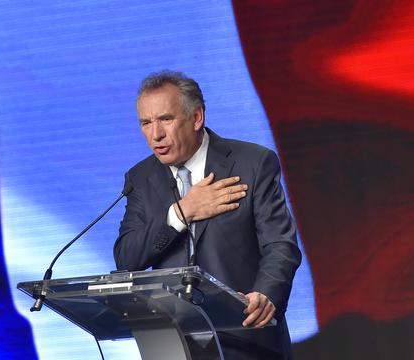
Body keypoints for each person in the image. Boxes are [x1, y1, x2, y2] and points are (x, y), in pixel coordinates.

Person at [114, 70, 301, 359]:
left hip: (246, 336)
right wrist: (182, 212)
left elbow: (280, 246)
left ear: (196, 117)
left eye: (165, 119)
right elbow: (128, 257)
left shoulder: (252, 163)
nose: (155, 134)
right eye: (146, 123)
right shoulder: (140, 178)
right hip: (171, 343)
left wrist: (266, 295)